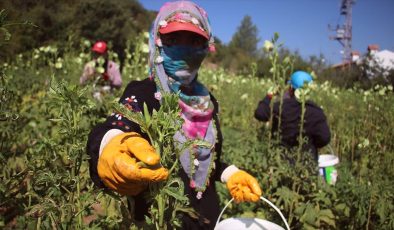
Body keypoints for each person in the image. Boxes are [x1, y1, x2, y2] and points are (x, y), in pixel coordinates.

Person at [86, 1, 262, 229]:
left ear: (206, 46)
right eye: (173, 39)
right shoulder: (143, 92)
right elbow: (118, 125)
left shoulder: (207, 101)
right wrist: (109, 142)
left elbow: (206, 160)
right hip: (159, 220)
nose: (184, 49)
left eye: (195, 41)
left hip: (207, 218)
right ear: (156, 42)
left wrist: (231, 173)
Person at [254, 71, 331, 162]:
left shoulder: (280, 107)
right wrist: (310, 145)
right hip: (306, 165)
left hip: (279, 163)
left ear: (290, 88)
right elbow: (324, 138)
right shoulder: (316, 112)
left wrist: (269, 96)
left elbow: (260, 114)